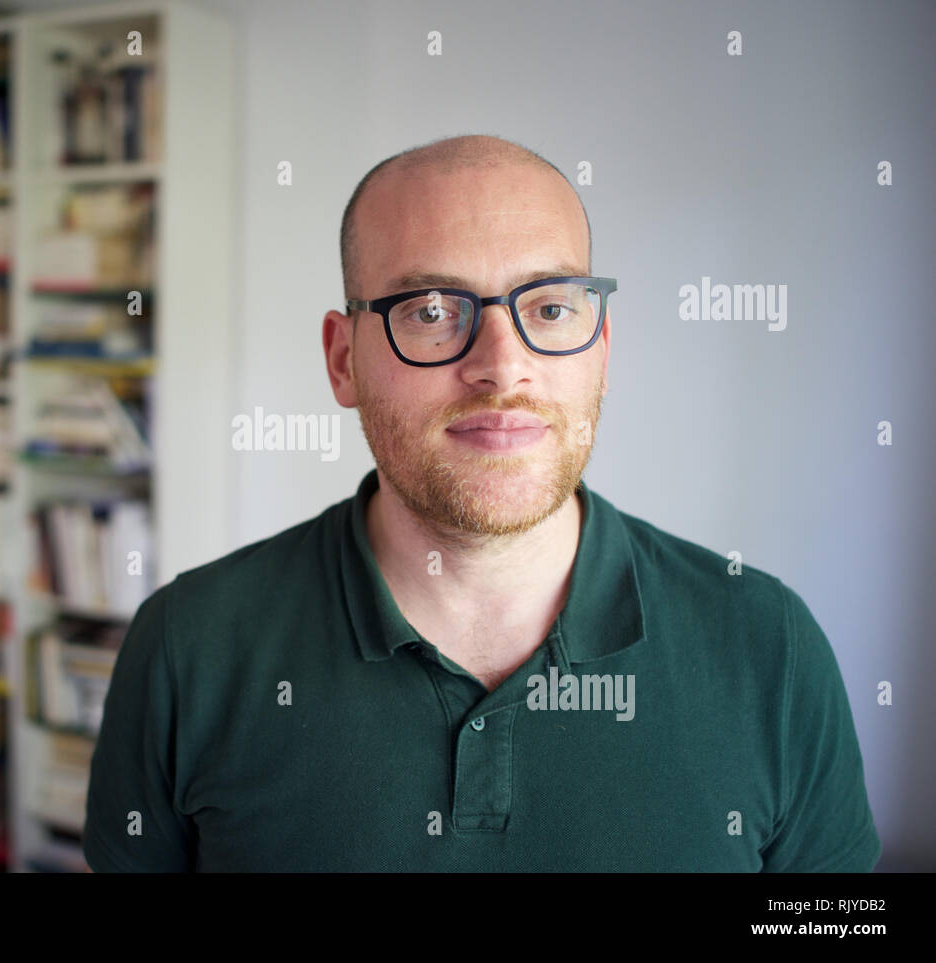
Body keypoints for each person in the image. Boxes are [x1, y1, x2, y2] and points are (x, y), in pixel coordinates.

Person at [83, 134, 881, 871]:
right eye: (431, 310)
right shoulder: (186, 644)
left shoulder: (769, 648)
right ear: (342, 360)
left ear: (600, 351)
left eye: (551, 307)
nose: (504, 367)